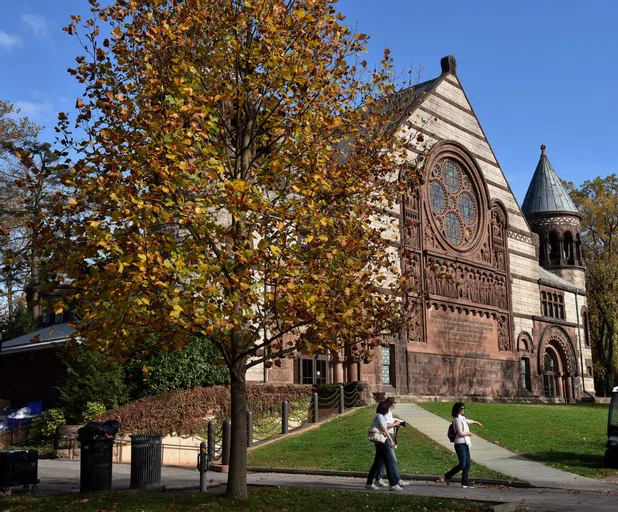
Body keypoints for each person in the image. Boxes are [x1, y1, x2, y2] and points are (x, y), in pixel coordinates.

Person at [365, 400, 409, 491]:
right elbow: (384, 428)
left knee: (377, 463)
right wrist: (390, 439)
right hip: (384, 442)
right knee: (390, 462)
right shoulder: (380, 416)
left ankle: (369, 483)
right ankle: (393, 484)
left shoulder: (377, 416)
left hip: (380, 443)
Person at [443, 402, 484, 489]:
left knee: (468, 464)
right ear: (457, 410)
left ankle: (464, 483)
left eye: (464, 408)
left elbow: (467, 421)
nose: (463, 410)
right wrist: (468, 433)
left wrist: (476, 422)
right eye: (461, 408)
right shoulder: (457, 420)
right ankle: (447, 475)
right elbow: (461, 433)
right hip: (459, 444)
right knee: (462, 464)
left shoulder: (462, 419)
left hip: (465, 443)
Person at [374, 397, 404, 487]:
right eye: (395, 403)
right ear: (391, 403)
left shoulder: (387, 413)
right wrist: (395, 424)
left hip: (387, 437)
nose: (395, 404)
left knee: (380, 461)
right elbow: (384, 427)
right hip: (385, 438)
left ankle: (376, 479)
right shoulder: (382, 415)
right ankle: (395, 481)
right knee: (391, 460)